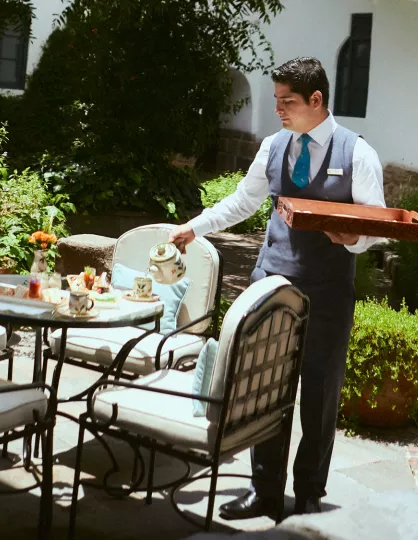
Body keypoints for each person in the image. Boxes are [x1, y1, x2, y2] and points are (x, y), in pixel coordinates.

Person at [169, 57, 386, 519]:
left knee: (320, 392)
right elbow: (243, 201)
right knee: (264, 385)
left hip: (327, 291)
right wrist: (196, 227)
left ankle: (309, 493)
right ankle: (264, 490)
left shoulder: (358, 154)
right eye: (276, 101)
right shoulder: (273, 146)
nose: (279, 111)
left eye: (287, 102)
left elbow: (376, 225)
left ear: (316, 100)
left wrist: (354, 239)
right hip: (271, 285)